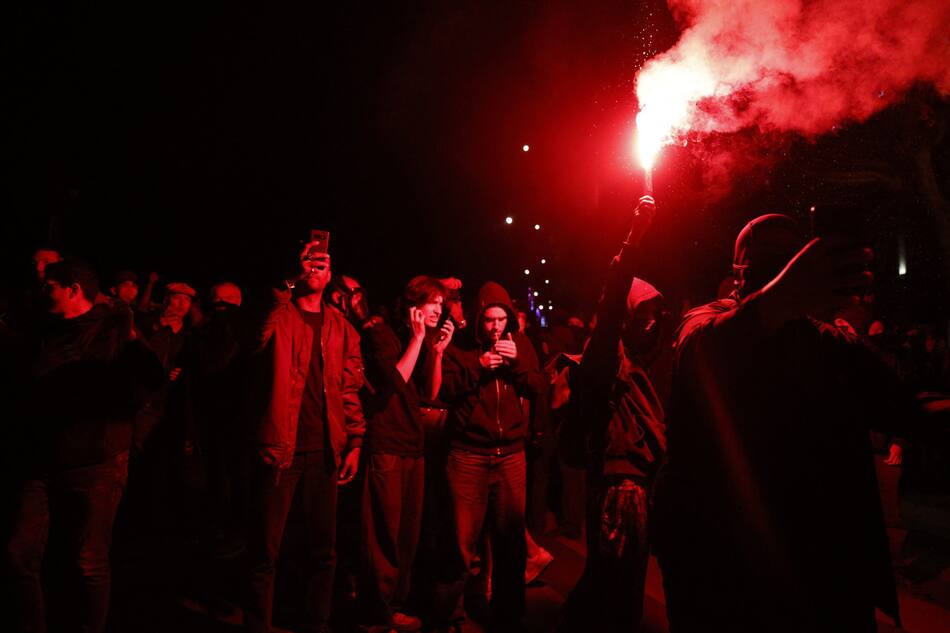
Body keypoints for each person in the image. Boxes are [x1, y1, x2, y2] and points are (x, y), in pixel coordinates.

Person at [653, 213, 916, 632]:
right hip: (723, 560)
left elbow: (899, 402)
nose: (783, 271)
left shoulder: (818, 334)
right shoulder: (708, 320)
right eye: (772, 261)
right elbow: (702, 351)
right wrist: (782, 298)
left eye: (791, 259)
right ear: (739, 272)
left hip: (812, 560)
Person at [6, 258, 161, 633]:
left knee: (88, 560)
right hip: (42, 460)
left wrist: (111, 420)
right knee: (19, 553)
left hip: (95, 462)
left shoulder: (111, 330)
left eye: (50, 286)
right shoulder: (46, 329)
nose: (43, 291)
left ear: (73, 289)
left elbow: (150, 379)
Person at [244, 236, 365, 633]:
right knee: (265, 550)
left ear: (330, 276)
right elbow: (256, 337)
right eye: (310, 263)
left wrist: (355, 441)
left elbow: (349, 389)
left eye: (322, 265)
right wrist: (289, 280)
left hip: (325, 450)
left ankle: (317, 624)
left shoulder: (341, 327)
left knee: (323, 552)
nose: (316, 269)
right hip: (281, 447)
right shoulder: (279, 314)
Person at [559, 196, 666, 633]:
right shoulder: (606, 357)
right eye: (643, 314)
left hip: (638, 488)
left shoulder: (645, 363)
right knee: (613, 594)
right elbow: (612, 304)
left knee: (620, 589)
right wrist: (635, 236)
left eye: (656, 315)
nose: (652, 323)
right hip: (618, 491)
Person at [436, 281, 543, 632]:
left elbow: (537, 386)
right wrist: (477, 366)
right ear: (479, 317)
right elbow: (444, 391)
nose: (496, 327)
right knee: (459, 543)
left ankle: (509, 616)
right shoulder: (461, 346)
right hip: (468, 455)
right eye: (489, 320)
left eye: (501, 319)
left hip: (511, 454)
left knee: (510, 544)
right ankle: (447, 617)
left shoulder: (520, 343)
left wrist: (517, 364)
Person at [358, 275, 454, 632]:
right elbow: (393, 382)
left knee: (407, 535)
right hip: (387, 443)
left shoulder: (423, 340)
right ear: (414, 305)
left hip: (414, 444)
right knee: (383, 532)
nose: (439, 310)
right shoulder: (382, 335)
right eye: (433, 303)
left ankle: (393, 608)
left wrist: (437, 352)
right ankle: (376, 615)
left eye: (442, 305)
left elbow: (430, 392)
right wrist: (416, 339)